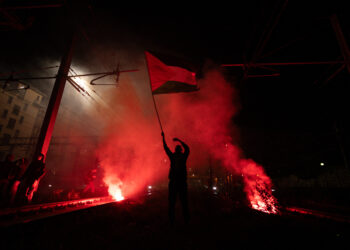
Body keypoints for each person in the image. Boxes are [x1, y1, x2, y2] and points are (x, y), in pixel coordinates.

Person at [162, 132, 190, 225]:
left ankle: (174, 220)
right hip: (177, 182)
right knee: (179, 202)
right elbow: (187, 149)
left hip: (177, 182)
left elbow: (166, 148)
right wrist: (164, 138)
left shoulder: (176, 156)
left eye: (178, 149)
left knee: (176, 202)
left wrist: (164, 138)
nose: (177, 150)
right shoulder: (180, 156)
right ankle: (177, 220)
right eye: (177, 149)